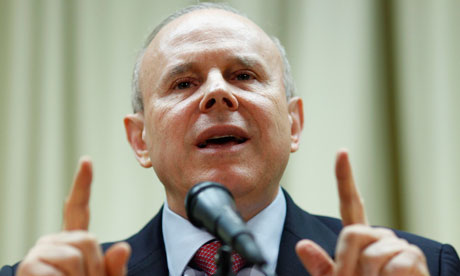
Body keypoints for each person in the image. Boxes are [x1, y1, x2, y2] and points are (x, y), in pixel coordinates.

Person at [1, 3, 459, 276]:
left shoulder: (421, 268)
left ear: (294, 123)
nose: (218, 93)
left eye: (244, 75)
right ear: (139, 139)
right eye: (183, 83)